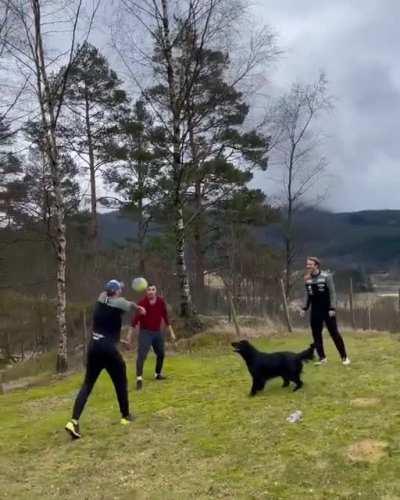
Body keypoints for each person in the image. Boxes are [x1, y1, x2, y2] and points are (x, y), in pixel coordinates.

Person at [65, 280, 146, 439]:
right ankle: (125, 416)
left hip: (95, 346)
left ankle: (73, 421)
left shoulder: (100, 298)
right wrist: (140, 309)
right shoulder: (120, 303)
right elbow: (136, 309)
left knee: (87, 385)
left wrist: (119, 341)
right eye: (120, 289)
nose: (121, 291)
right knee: (120, 378)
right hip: (107, 350)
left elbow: (107, 327)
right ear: (116, 292)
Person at [301, 257, 351, 366]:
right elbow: (307, 295)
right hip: (315, 310)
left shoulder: (327, 276)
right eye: (307, 264)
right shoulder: (307, 279)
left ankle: (344, 357)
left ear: (316, 265)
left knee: (334, 333)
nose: (308, 266)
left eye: (310, 264)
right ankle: (322, 358)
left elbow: (333, 293)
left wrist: (332, 308)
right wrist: (304, 308)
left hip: (327, 310)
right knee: (316, 334)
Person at [128, 283, 176, 391]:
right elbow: (135, 320)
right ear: (146, 292)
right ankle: (139, 379)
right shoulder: (142, 303)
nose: (151, 291)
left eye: (153, 289)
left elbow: (165, 317)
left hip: (157, 332)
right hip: (145, 333)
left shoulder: (160, 302)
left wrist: (171, 332)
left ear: (156, 291)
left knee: (161, 354)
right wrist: (129, 334)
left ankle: (157, 374)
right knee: (142, 355)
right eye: (149, 290)